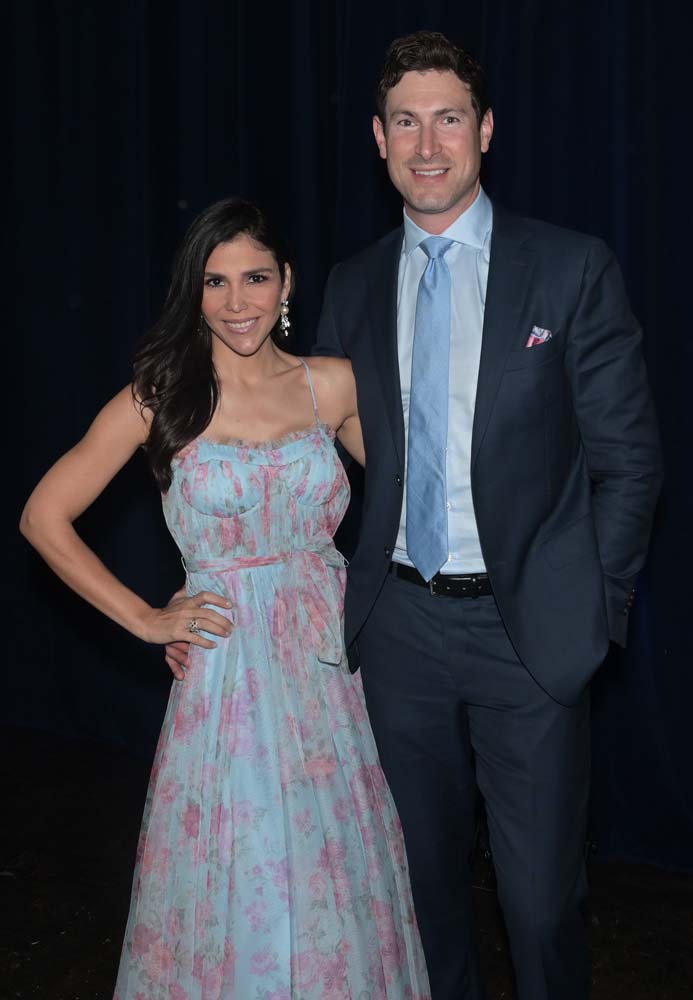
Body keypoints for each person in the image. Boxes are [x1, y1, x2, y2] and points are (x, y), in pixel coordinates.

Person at [311, 30, 662, 1000]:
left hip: (531, 635)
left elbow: (630, 460)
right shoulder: (350, 286)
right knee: (423, 895)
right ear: (379, 141)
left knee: (541, 904)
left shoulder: (570, 269)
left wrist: (598, 611)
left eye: (450, 119)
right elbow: (303, 456)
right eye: (407, 123)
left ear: (488, 129)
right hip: (402, 631)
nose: (430, 146)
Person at [19, 196, 431, 1000]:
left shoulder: (333, 386)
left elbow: (412, 501)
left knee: (326, 860)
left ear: (287, 286)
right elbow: (44, 516)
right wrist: (146, 617)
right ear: (193, 291)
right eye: (215, 281)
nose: (236, 300)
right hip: (225, 672)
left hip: (323, 668)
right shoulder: (159, 396)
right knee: (238, 859)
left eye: (254, 278)